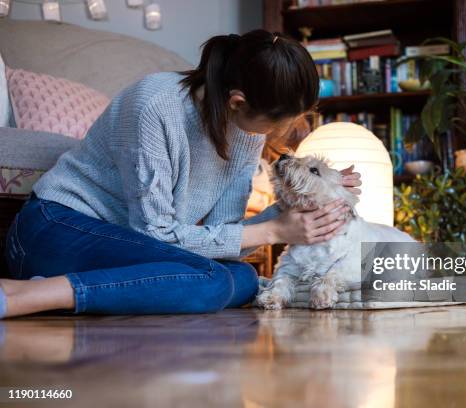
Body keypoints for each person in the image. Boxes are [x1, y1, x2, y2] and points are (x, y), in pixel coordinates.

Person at [0, 30, 361, 318]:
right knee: (216, 281)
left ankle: (51, 291)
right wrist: (274, 230)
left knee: (238, 277)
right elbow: (156, 233)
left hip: (134, 246)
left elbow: (225, 240)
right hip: (55, 230)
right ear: (238, 101)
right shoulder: (154, 107)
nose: (280, 132)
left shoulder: (246, 129)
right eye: (277, 122)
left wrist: (309, 203)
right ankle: (25, 295)